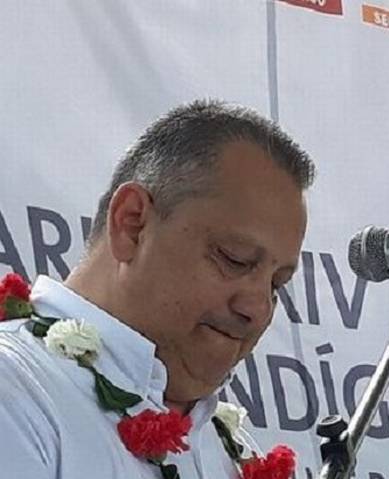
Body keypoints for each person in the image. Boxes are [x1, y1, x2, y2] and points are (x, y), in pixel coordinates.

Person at [0, 100, 315, 478]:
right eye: (235, 258)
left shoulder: (229, 446)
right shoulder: (17, 389)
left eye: (277, 284)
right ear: (132, 224)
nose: (259, 308)